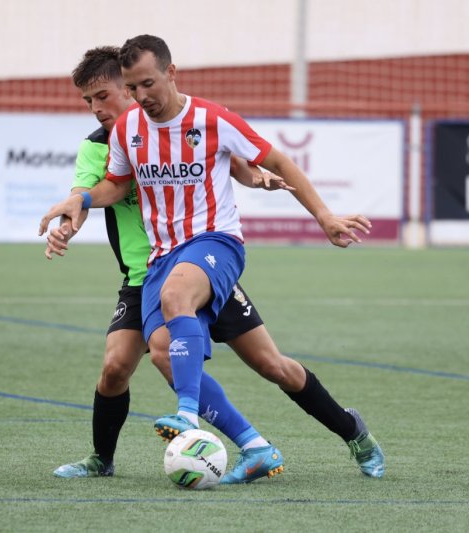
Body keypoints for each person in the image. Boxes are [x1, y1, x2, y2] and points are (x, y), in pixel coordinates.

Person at [43, 43, 385, 482]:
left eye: (146, 84)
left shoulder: (211, 119)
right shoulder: (127, 130)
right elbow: (115, 183)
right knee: (247, 363)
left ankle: (188, 416)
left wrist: (324, 215)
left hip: (214, 246)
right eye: (133, 86)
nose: (141, 94)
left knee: (178, 297)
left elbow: (269, 159)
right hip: (159, 259)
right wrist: (81, 200)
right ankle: (288, 441)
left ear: (171, 73)